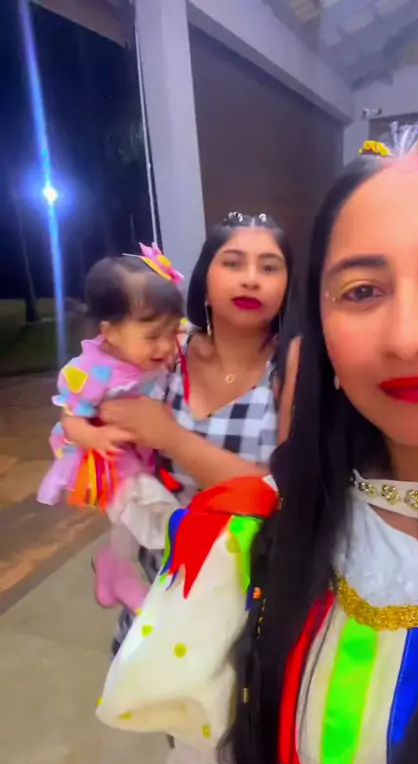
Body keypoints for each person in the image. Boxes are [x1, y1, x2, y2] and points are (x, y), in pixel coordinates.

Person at [98, 109, 418, 764]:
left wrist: (170, 439)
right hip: (179, 578)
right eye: (362, 290)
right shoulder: (246, 528)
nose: (407, 337)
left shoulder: (280, 379)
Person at [101, 212, 294, 652]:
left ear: (287, 289)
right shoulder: (166, 355)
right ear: (205, 282)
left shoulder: (294, 365)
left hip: (251, 597)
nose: (251, 279)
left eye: (269, 267)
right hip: (161, 588)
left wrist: (171, 437)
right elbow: (96, 409)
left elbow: (285, 494)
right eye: (233, 263)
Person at [38, 250, 184, 614]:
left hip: (138, 447)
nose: (165, 346)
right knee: (149, 506)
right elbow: (71, 419)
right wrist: (97, 438)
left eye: (171, 332)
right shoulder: (89, 372)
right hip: (105, 457)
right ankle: (122, 569)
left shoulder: (149, 352)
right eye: (153, 336)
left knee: (128, 521)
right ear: (109, 332)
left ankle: (112, 565)